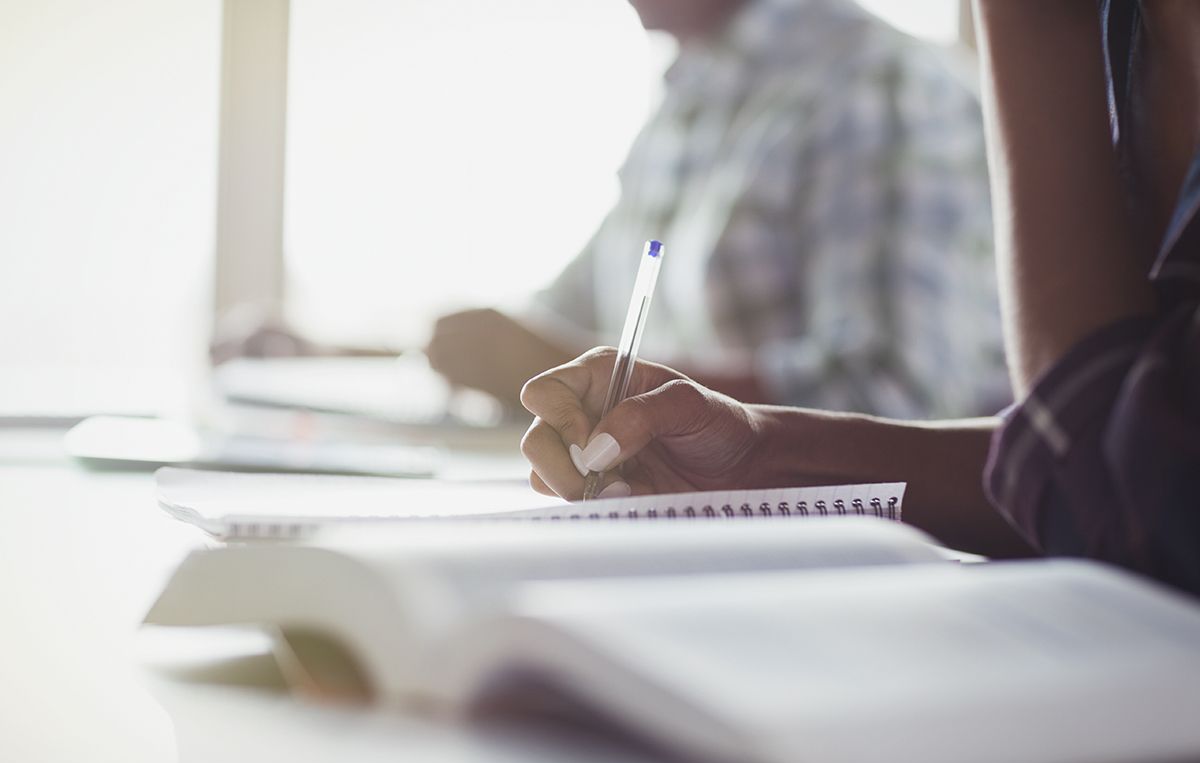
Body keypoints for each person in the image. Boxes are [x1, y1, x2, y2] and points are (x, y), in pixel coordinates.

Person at [520, 0, 1200, 595]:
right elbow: (1124, 457)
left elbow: (1125, 491)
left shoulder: (875, 78)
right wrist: (756, 457)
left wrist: (1019, 18)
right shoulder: (683, 100)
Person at [215, 0, 1006, 419]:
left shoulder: (873, 87)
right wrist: (328, 358)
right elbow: (544, 334)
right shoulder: (688, 106)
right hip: (701, 548)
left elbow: (899, 398)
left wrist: (584, 382)